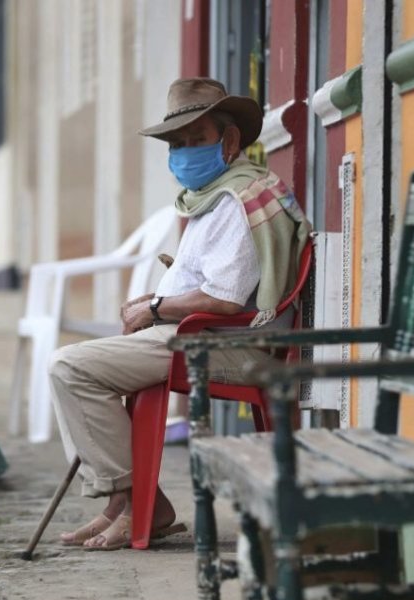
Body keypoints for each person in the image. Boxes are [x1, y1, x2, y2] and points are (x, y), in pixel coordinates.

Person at [50, 78, 311, 550]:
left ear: (229, 141)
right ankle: (123, 506)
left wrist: (154, 307)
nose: (185, 153)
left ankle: (135, 501)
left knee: (70, 367)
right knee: (81, 365)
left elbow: (226, 300)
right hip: (191, 333)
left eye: (198, 140)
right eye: (178, 143)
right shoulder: (213, 196)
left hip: (225, 344)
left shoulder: (238, 199)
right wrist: (155, 304)